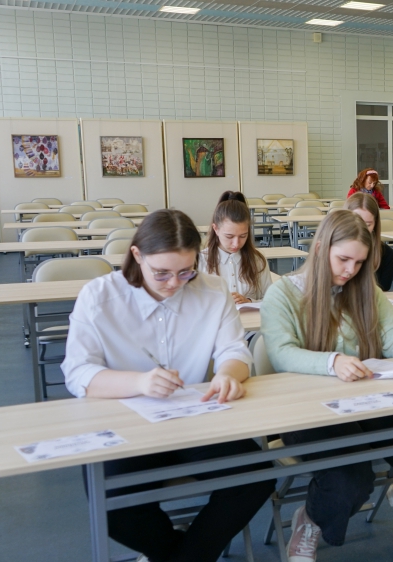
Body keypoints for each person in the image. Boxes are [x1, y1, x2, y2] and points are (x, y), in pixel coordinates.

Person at [61, 209, 275, 562]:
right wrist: (140, 382)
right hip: (126, 424)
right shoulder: (99, 297)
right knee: (114, 504)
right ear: (137, 255)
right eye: (161, 273)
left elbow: (234, 351)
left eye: (185, 272)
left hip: (194, 417)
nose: (174, 283)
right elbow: (78, 372)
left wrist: (227, 374)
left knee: (255, 478)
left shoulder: (212, 290)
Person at [259, 210, 393, 561]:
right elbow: (282, 353)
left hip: (367, 399)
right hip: (308, 410)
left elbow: (392, 332)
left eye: (359, 263)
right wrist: (332, 362)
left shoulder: (365, 289)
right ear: (320, 248)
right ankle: (310, 520)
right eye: (343, 259)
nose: (350, 270)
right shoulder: (282, 294)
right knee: (348, 480)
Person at [200, 191, 273, 304]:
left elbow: (271, 300)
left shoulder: (257, 260)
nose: (236, 244)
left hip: (251, 316)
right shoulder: (200, 261)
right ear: (216, 229)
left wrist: (249, 301)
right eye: (229, 236)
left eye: (243, 236)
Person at [345, 191, 393, 291]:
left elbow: (384, 288)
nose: (361, 229)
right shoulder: (332, 250)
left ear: (375, 224)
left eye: (368, 224)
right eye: (356, 222)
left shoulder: (386, 254)